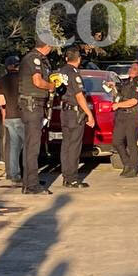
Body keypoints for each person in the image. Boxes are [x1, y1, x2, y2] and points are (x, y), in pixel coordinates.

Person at [54, 46, 96, 188]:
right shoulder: (74, 73)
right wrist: (89, 114)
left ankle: (66, 176)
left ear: (66, 58)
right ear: (79, 59)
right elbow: (79, 95)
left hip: (64, 112)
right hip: (75, 113)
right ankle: (72, 178)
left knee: (66, 145)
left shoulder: (61, 72)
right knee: (74, 146)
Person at [17, 39, 55, 194]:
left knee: (31, 145)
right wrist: (51, 86)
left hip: (33, 105)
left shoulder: (37, 59)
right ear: (46, 46)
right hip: (32, 105)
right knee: (32, 146)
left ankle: (29, 181)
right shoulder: (34, 58)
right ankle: (31, 185)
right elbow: (37, 81)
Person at [112, 62, 138, 178]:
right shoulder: (126, 82)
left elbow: (134, 101)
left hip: (132, 116)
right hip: (121, 116)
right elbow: (118, 91)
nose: (131, 70)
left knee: (131, 143)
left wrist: (118, 105)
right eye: (131, 68)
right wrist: (112, 86)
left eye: (134, 68)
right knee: (116, 141)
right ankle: (126, 163)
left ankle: (134, 168)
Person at [0, 55, 23, 185]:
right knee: (27, 147)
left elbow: (1, 102)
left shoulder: (2, 80)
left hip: (9, 116)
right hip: (22, 116)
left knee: (13, 146)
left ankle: (13, 174)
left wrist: (4, 117)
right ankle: (27, 174)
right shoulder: (23, 79)